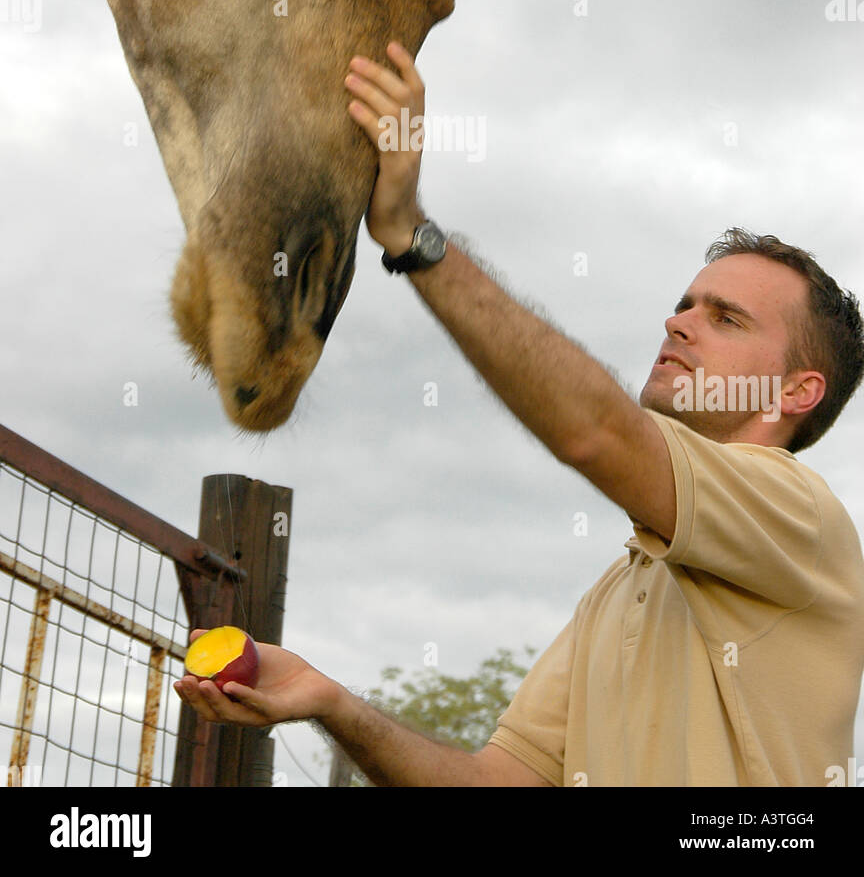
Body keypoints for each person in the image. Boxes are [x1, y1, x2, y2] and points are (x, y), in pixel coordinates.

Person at [175, 43, 864, 787]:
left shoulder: (799, 515)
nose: (679, 323)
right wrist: (330, 701)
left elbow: (595, 432)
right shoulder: (620, 590)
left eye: (726, 318)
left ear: (798, 392)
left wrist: (411, 234)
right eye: (683, 305)